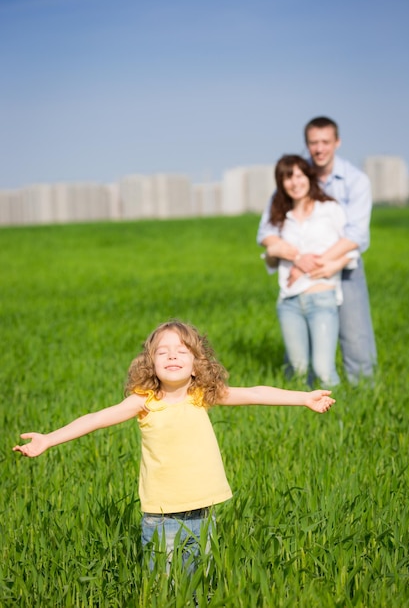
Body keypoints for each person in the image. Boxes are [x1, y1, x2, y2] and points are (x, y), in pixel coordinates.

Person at [13, 319, 335, 576]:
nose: (172, 356)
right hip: (162, 515)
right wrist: (49, 439)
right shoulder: (145, 401)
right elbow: (97, 418)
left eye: (182, 351)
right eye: (163, 351)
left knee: (200, 583)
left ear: (197, 364)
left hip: (203, 510)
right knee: (167, 587)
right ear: (150, 363)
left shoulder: (202, 394)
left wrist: (303, 398)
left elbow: (256, 393)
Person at [257, 117, 377, 384]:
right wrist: (299, 260)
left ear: (337, 142)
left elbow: (356, 235)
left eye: (325, 142)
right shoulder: (296, 175)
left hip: (344, 266)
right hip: (299, 281)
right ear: (307, 144)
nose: (320, 148)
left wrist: (311, 265)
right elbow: (266, 232)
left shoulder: (355, 180)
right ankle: (301, 397)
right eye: (314, 143)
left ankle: (364, 394)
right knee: (300, 354)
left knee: (355, 337)